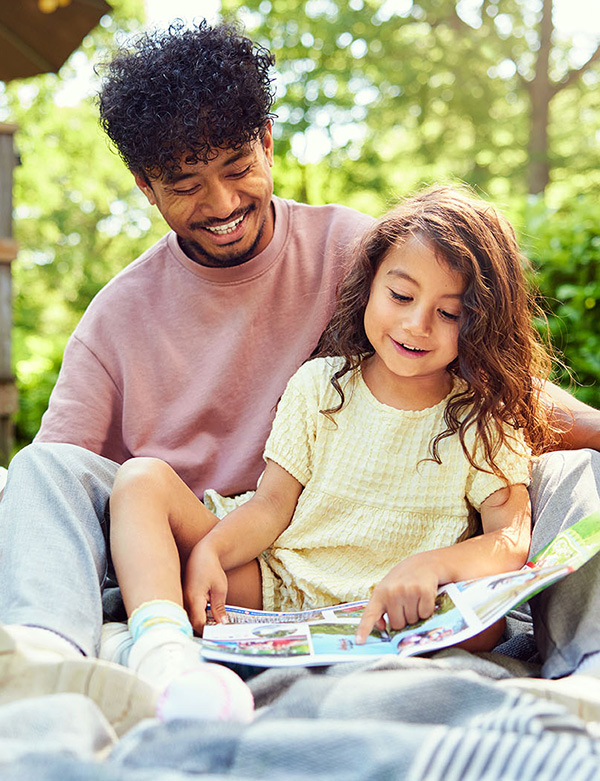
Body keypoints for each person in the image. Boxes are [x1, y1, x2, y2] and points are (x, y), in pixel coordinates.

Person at [0, 21, 597, 732]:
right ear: (145, 187)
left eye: (236, 166)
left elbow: (491, 372)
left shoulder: (359, 251)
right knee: (39, 469)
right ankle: (43, 657)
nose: (221, 204)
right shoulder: (115, 318)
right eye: (186, 184)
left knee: (576, 472)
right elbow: (62, 488)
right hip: (209, 545)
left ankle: (587, 666)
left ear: (269, 143)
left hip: (365, 538)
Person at [107, 185, 551, 666]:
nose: (417, 324)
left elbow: (509, 540)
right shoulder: (322, 383)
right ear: (370, 284)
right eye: (400, 295)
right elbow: (272, 507)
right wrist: (212, 550)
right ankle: (161, 647)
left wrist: (430, 567)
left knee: (488, 627)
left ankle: (160, 618)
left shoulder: (483, 417)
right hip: (281, 582)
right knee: (140, 481)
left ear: (481, 323)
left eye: (449, 313)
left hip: (394, 610)